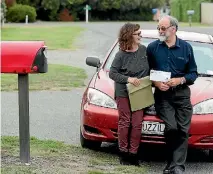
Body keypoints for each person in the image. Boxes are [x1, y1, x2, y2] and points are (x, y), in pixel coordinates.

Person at [147, 15, 198, 174]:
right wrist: (155, 83)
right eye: (158, 28)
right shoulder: (152, 48)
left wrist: (180, 80)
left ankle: (177, 167)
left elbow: (193, 73)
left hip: (182, 94)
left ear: (173, 29)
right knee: (172, 128)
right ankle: (172, 162)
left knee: (183, 130)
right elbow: (146, 72)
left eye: (162, 28)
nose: (160, 31)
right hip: (163, 97)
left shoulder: (186, 48)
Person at [109, 23, 150, 166]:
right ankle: (123, 153)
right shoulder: (120, 54)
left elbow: (151, 69)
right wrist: (128, 79)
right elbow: (112, 73)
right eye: (137, 33)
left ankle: (133, 154)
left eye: (140, 33)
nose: (140, 35)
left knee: (137, 123)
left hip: (140, 92)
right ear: (129, 35)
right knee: (125, 121)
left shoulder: (144, 50)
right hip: (123, 92)